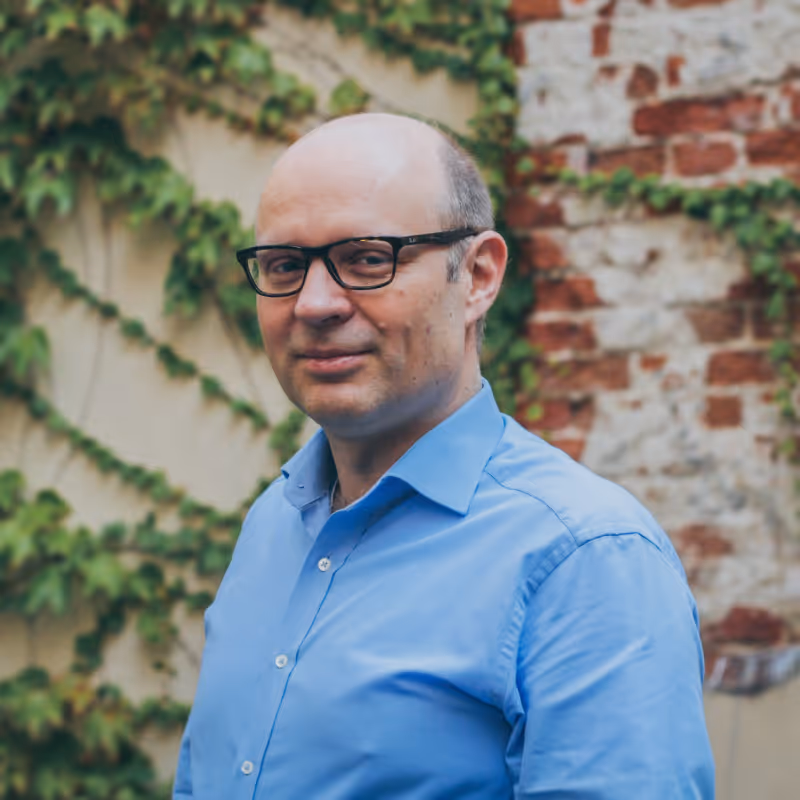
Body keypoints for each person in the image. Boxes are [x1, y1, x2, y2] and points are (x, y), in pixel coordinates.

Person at [173, 113, 715, 799]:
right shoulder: (272, 524)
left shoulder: (585, 561)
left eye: (366, 258)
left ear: (479, 276)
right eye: (284, 265)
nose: (313, 303)